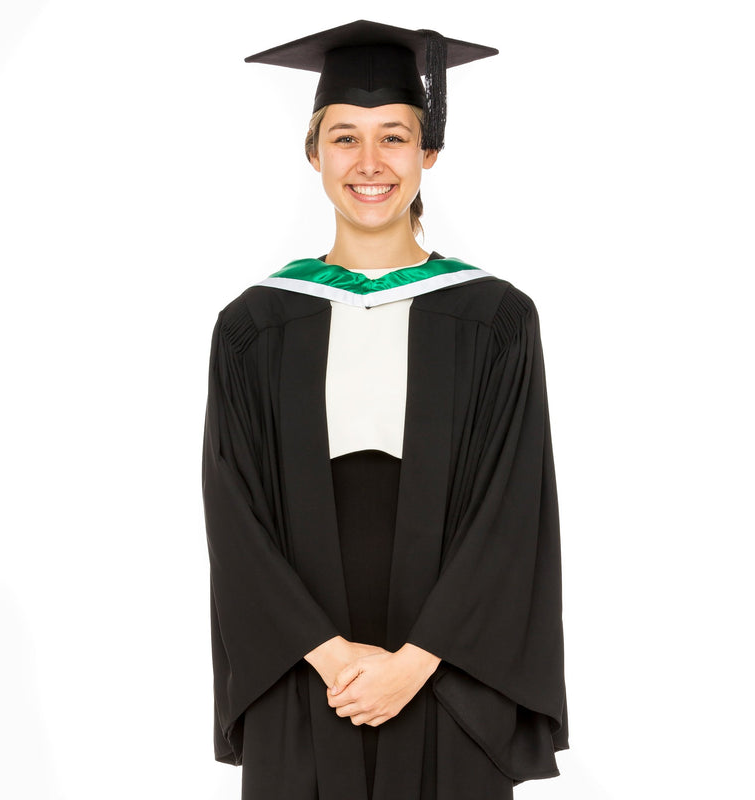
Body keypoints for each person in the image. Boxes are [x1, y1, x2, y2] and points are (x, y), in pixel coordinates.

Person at [201, 19, 569, 800]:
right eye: (344, 138)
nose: (370, 164)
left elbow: (513, 510)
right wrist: (336, 660)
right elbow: (234, 519)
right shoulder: (253, 327)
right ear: (312, 153)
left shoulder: (496, 320)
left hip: (449, 677)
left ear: (428, 151)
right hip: (306, 679)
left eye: (394, 137)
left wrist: (413, 663)